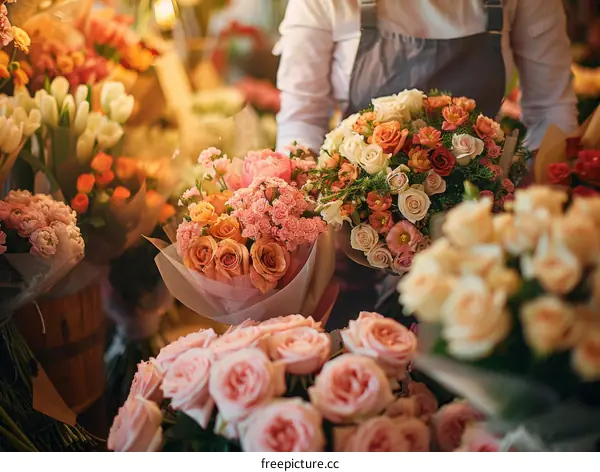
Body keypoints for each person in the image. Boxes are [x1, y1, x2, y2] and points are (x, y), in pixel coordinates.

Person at [274, 0, 578, 329]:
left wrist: (537, 219)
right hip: (355, 244)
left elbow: (551, 111)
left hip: (478, 245)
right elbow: (301, 123)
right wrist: (312, 232)